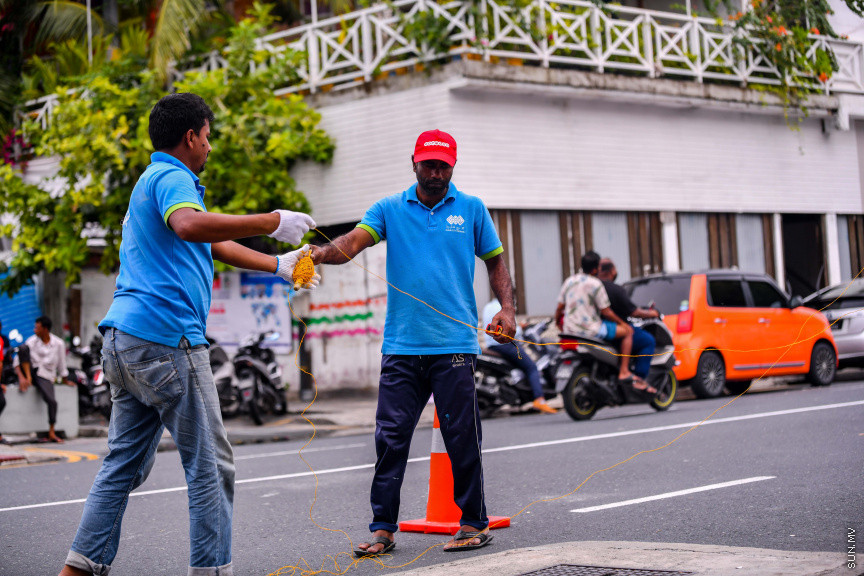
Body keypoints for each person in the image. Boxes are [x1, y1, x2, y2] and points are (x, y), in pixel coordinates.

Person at [59, 93, 319, 576]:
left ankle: (77, 569)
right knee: (211, 468)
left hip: (124, 342)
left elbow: (208, 240)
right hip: (167, 341)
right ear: (190, 136)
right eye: (208, 136)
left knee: (123, 466)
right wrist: (272, 220)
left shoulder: (151, 183)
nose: (210, 146)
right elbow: (189, 226)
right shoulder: (172, 178)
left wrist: (278, 264)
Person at [296, 129, 516, 555]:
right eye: (428, 164)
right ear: (414, 163)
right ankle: (383, 529)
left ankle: (473, 523)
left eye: (443, 166)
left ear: (453, 166)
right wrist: (320, 254)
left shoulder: (471, 209)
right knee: (390, 438)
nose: (436, 173)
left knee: (462, 437)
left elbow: (496, 262)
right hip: (401, 347)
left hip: (454, 345)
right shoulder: (389, 209)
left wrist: (507, 309)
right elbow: (352, 243)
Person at [555, 251, 654, 393]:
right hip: (591, 329)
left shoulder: (569, 281)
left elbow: (559, 308)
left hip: (570, 330)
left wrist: (558, 324)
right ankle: (624, 371)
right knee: (628, 332)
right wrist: (622, 324)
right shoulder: (596, 284)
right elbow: (606, 312)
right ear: (596, 268)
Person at [481, 297, 556, 414]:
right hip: (506, 345)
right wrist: (522, 328)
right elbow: (513, 329)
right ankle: (539, 399)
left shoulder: (488, 307)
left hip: (491, 346)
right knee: (531, 367)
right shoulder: (505, 307)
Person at [597, 258, 660, 382]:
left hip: (593, 329)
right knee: (646, 340)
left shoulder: (591, 287)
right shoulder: (614, 289)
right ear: (612, 271)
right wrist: (652, 313)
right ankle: (637, 378)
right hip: (609, 330)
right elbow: (633, 312)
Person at [15, 315, 75, 443]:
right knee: (23, 348)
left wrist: (65, 381)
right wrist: (22, 378)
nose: (34, 330)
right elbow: (17, 360)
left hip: (45, 376)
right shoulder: (31, 341)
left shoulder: (58, 344)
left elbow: (62, 365)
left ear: (45, 329)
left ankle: (51, 431)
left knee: (52, 401)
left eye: (37, 328)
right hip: (30, 372)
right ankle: (28, 378)